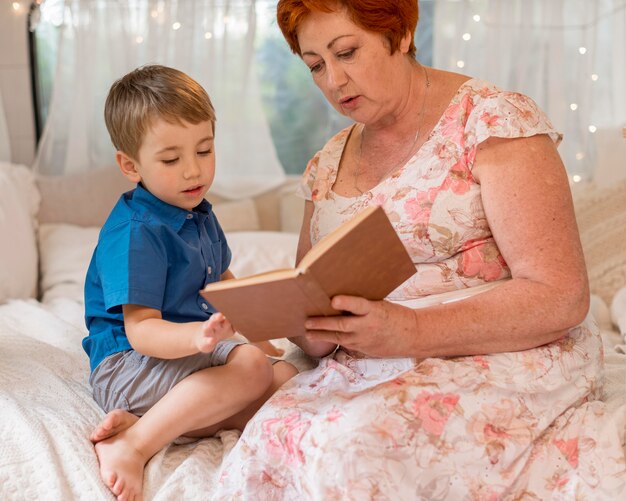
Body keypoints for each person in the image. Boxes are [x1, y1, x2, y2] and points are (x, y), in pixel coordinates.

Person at [213, 1, 626, 499]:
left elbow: (560, 296)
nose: (333, 81)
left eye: (347, 52)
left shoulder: (492, 120)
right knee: (276, 437)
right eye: (316, 65)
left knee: (353, 448)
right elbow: (311, 303)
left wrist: (409, 329)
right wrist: (310, 326)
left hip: (497, 353)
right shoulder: (326, 165)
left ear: (402, 33)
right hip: (365, 360)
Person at [83, 64, 298, 501]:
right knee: (251, 370)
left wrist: (260, 328)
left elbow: (220, 280)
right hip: (130, 364)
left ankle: (153, 421)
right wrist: (203, 338)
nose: (192, 170)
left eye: (204, 150)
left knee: (286, 379)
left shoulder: (197, 212)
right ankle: (134, 444)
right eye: (170, 159)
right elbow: (141, 332)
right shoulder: (136, 232)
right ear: (130, 165)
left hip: (185, 352)